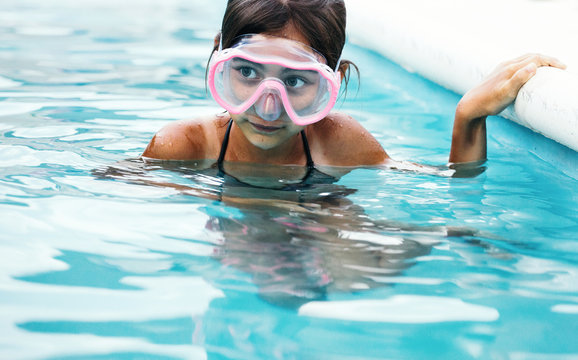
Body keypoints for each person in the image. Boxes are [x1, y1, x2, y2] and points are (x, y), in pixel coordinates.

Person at [141, 0, 565, 181]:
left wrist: (468, 116)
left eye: (294, 81)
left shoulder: (339, 144)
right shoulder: (182, 145)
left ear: (334, 83)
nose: (268, 108)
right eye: (247, 73)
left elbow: (449, 190)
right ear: (219, 61)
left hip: (316, 233)